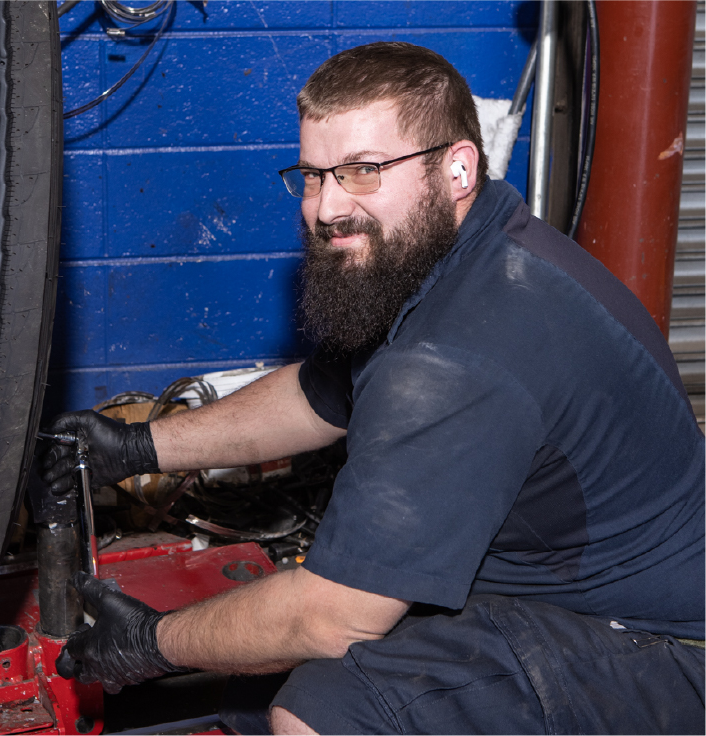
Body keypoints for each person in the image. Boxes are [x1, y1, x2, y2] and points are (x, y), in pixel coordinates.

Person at [41, 42, 705, 734]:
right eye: (312, 176)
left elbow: (332, 617)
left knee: (324, 709)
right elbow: (321, 395)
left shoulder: (457, 357)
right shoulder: (469, 247)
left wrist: (150, 644)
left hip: (661, 651)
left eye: (362, 171)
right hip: (577, 595)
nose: (326, 208)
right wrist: (135, 446)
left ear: (456, 168)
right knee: (259, 677)